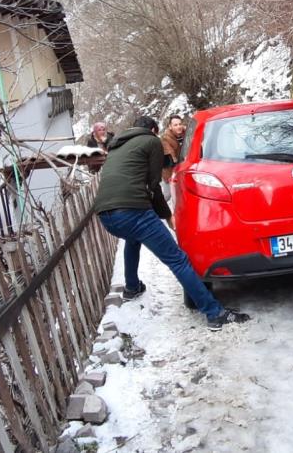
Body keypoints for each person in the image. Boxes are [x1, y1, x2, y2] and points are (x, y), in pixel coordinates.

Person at [93, 116, 251, 331]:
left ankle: (131, 288)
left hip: (106, 214)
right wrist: (167, 215)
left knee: (132, 240)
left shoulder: (116, 146)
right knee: (177, 260)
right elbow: (153, 185)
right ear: (154, 129)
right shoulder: (152, 142)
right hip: (133, 211)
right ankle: (215, 313)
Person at [159, 114, 186, 204]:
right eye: (175, 125)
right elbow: (172, 156)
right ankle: (154, 210)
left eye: (180, 124)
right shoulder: (165, 139)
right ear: (170, 127)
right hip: (169, 171)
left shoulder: (186, 133)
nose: (179, 127)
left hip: (182, 169)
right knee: (168, 195)